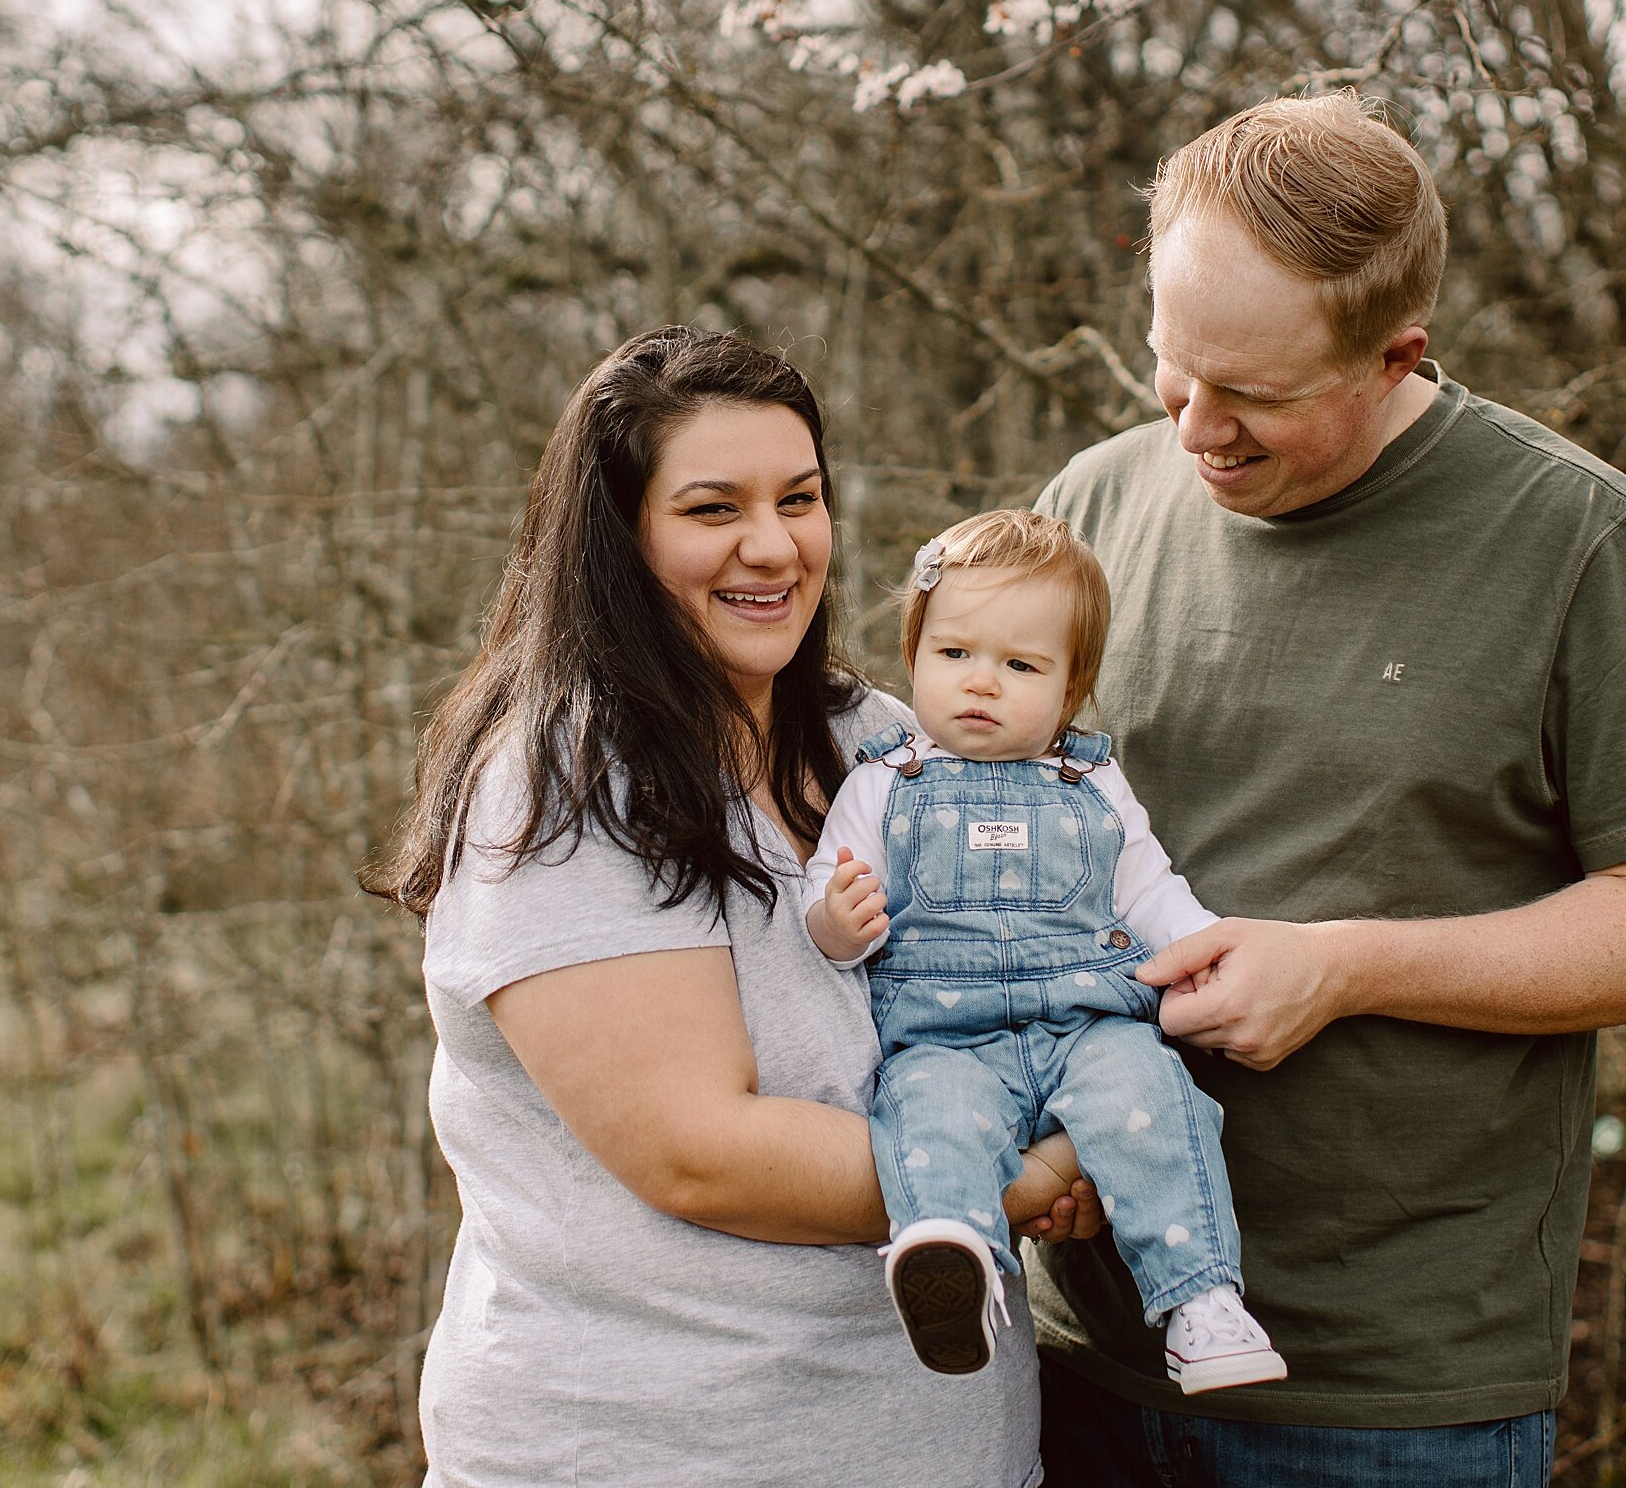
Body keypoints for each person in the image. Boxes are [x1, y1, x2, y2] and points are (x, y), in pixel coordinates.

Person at [1028, 93, 1626, 1485]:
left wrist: (1346, 967)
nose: (1198, 426)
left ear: (1396, 355)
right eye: (1172, 368)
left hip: (1390, 1390)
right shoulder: (1093, 504)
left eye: (1252, 394)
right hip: (1078, 1348)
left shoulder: (1575, 539)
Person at [365, 327, 1095, 1488]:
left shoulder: (884, 742)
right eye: (712, 508)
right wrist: (1016, 1179)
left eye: (799, 497)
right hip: (660, 1449)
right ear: (620, 539)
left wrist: (1102, 1117)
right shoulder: (558, 790)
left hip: (945, 1445)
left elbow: (1026, 968)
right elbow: (699, 1152)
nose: (773, 544)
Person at [801, 510, 1286, 1396]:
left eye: (1020, 665)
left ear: (1070, 690)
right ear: (914, 654)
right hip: (943, 1036)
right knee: (929, 1115)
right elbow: (822, 891)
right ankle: (954, 1262)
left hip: (1087, 1024)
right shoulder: (883, 780)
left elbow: (1150, 891)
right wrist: (837, 921)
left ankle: (1202, 1302)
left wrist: (1202, 952)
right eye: (954, 655)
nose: (981, 682)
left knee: (1152, 1104)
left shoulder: (1093, 784)